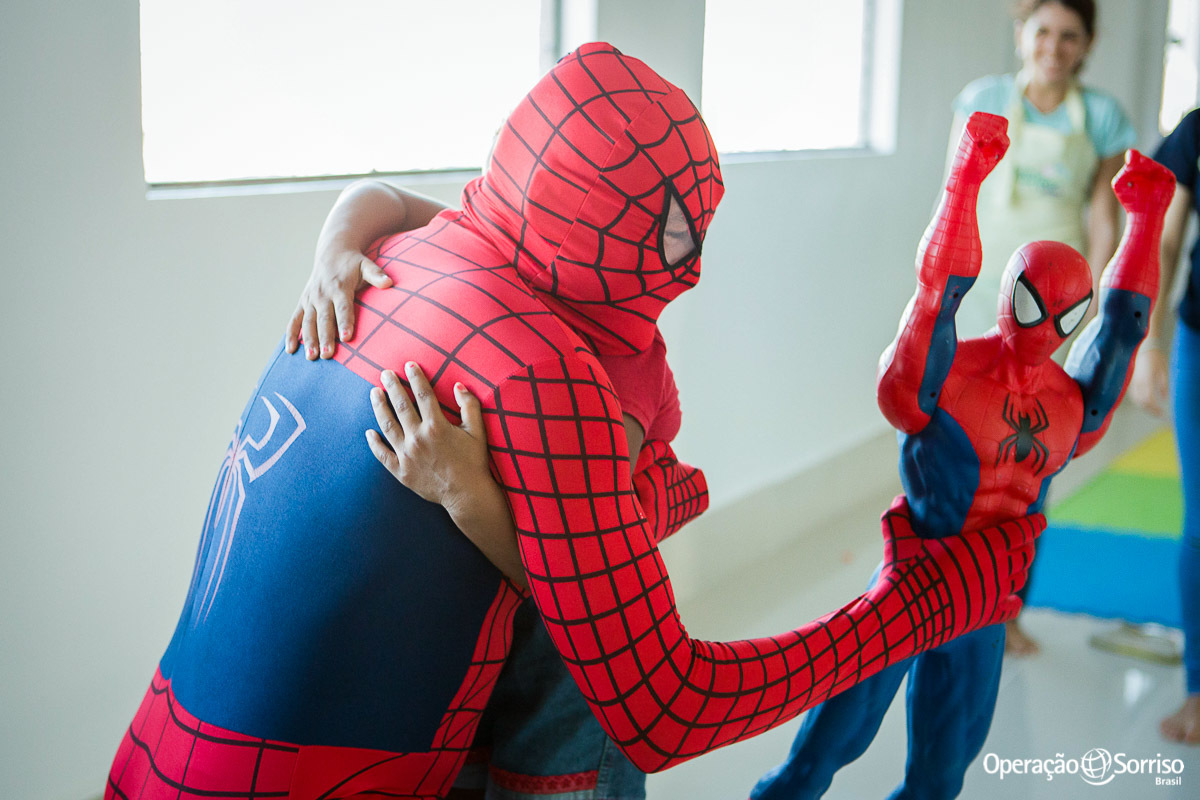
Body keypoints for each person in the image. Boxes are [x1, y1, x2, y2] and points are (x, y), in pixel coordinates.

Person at [104, 45, 1040, 800]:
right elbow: (663, 706)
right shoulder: (550, 376)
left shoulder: (408, 256)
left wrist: (335, 242)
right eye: (677, 236)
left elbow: (384, 198)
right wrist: (922, 603)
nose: (693, 269)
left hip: (156, 748)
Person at [750, 113, 1173, 800]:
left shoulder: (1070, 406)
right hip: (913, 584)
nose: (1047, 329)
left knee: (942, 775)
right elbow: (933, 302)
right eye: (1038, 306)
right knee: (826, 750)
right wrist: (965, 178)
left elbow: (1122, 333)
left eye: (1065, 315)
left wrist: (1146, 221)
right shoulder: (946, 382)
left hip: (982, 604)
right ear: (1009, 297)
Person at [949, 0, 1137, 656]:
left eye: (1070, 37)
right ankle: (944, 598)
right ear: (1022, 35)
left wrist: (1104, 304)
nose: (1054, 47)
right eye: (1044, 33)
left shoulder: (1104, 117)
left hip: (1055, 313)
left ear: (1085, 46)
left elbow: (1103, 216)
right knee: (959, 450)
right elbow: (956, 192)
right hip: (977, 295)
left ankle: (1006, 607)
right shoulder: (983, 98)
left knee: (1031, 462)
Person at [1131, 107, 1200, 744]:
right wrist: (1150, 342)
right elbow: (1167, 239)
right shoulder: (1198, 130)